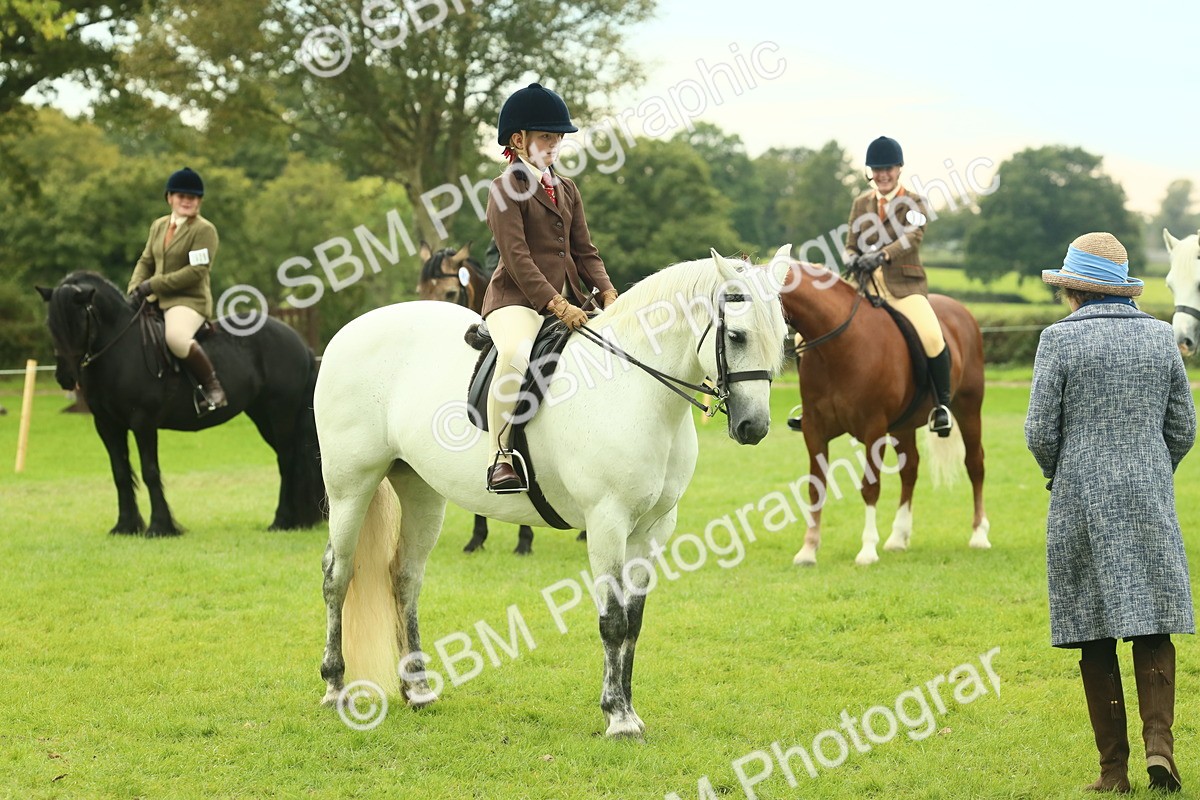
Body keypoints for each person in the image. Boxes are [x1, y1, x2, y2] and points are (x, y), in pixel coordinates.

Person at [1026, 232, 1196, 794]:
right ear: (1122, 288)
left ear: (1072, 290)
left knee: (1094, 632)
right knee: (1153, 626)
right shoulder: (1160, 339)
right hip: (1150, 496)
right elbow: (1184, 430)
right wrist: (1150, 469)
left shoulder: (1058, 340)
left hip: (1080, 501)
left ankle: (1112, 772)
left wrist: (1066, 470)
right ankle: (1160, 750)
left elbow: (1039, 432)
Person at [482, 83, 618, 492]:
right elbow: (518, 259)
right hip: (516, 302)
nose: (555, 144)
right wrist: (558, 305)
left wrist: (609, 292)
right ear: (519, 140)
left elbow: (585, 251)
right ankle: (500, 457)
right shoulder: (504, 189)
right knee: (515, 353)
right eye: (546, 136)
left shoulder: (567, 188)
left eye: (558, 137)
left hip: (573, 300)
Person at [842, 135, 951, 436]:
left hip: (903, 287)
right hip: (865, 287)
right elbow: (850, 244)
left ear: (899, 168)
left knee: (931, 335)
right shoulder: (860, 203)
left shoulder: (914, 202)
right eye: (877, 169)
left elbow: (912, 237)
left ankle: (942, 406)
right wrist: (851, 258)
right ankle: (817, 404)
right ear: (870, 172)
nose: (883, 175)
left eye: (888, 168)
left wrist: (880, 255)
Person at [127, 166, 227, 411]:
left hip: (188, 300)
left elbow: (196, 272)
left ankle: (213, 388)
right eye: (181, 196)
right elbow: (146, 261)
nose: (187, 201)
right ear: (169, 197)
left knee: (176, 337)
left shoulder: (204, 230)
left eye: (192, 197)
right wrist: (134, 289)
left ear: (199, 201)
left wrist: (152, 285)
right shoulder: (158, 226)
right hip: (154, 296)